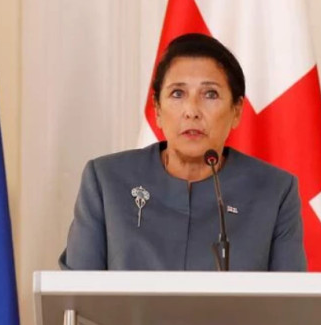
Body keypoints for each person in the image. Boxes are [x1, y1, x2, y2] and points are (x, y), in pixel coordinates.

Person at [58, 33, 306, 271]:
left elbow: (290, 297)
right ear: (157, 109)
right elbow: (77, 292)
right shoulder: (107, 181)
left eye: (210, 94)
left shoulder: (274, 192)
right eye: (177, 93)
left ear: (237, 111)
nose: (192, 111)